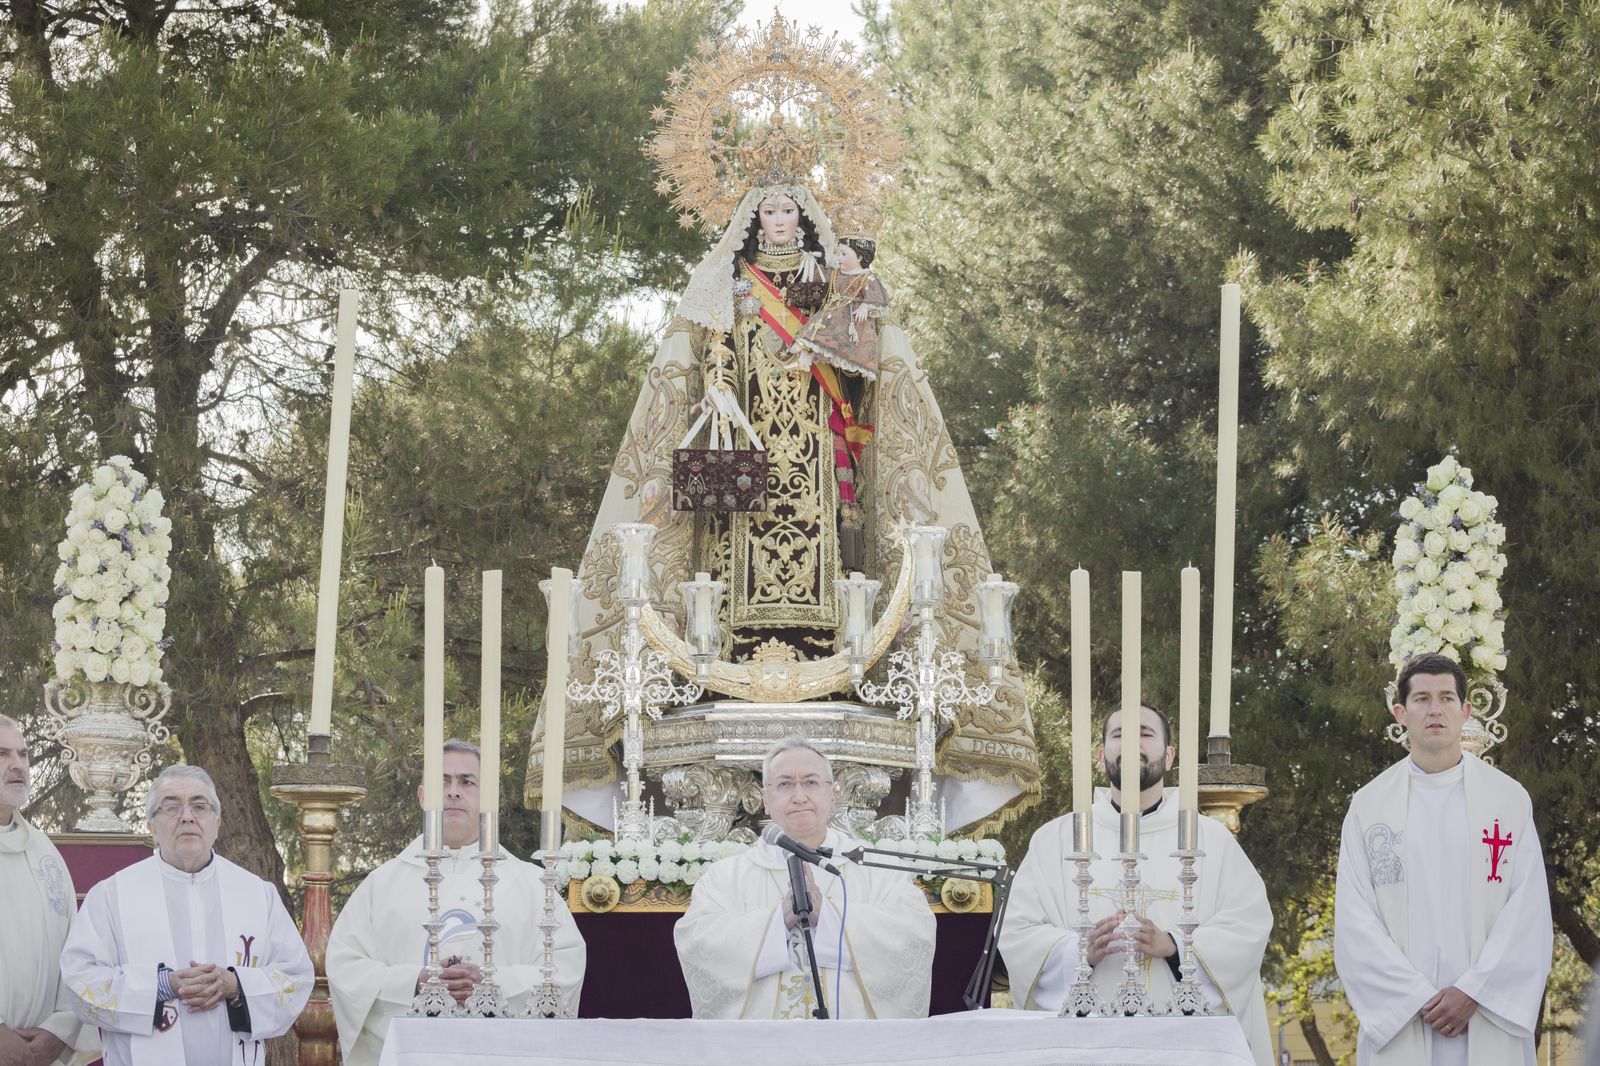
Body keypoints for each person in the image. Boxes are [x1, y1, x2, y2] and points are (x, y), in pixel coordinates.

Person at [1001, 704, 1274, 1066]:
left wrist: (1176, 947)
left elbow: (1249, 925)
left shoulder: (1212, 839)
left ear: (1169, 756)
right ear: (1101, 756)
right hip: (1084, 1048)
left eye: (1145, 733)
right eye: (1119, 735)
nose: (1131, 744)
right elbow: (1017, 934)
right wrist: (1077, 953)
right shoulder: (1055, 840)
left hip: (1183, 1047)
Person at [1334, 652, 1552, 1065]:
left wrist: (1475, 991)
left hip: (1486, 1016)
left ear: (1466, 711)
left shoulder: (1507, 799)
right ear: (1400, 713)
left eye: (1446, 698)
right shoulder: (1369, 806)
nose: (1435, 709)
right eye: (1421, 699)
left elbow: (1529, 911)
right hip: (1405, 1020)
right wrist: (1414, 997)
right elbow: (1354, 919)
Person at [327, 739, 584, 1063]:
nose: (453, 792)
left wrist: (493, 982)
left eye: (467, 782)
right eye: (442, 782)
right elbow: (345, 967)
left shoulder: (533, 885)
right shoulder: (380, 885)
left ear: (489, 798)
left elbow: (566, 968)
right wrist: (414, 982)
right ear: (423, 797)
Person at [60, 764, 311, 1066]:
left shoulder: (258, 894)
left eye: (199, 806)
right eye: (171, 807)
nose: (187, 816)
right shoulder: (111, 896)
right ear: (151, 826)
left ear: (217, 823)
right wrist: (163, 985)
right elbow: (79, 980)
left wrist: (235, 985)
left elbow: (295, 978)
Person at [673, 736, 935, 1019]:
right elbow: (697, 941)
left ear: (832, 795)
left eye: (811, 782)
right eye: (785, 784)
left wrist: (830, 916)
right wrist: (777, 921)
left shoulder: (878, 870)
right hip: (762, 1042)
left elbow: (914, 933)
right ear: (765, 799)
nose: (799, 796)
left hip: (853, 1041)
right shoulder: (726, 877)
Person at [0, 714, 93, 1066]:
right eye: (2, 753)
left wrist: (60, 1031)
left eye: (23, 754)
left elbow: (76, 947)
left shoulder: (44, 853)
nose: (18, 765)